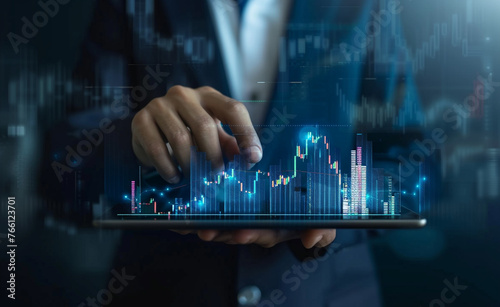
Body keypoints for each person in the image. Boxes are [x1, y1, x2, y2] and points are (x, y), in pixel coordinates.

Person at [73, 0, 417, 306]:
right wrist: (135, 145)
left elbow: (410, 156)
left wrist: (337, 204)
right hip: (164, 291)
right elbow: (67, 164)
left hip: (326, 292)